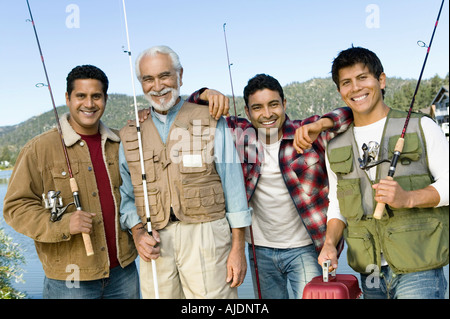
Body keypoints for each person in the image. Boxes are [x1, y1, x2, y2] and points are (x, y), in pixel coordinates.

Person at [297, 46, 449, 299]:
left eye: (362, 78)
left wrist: (408, 198)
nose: (355, 88)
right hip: (369, 272)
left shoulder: (422, 125)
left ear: (381, 80)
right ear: (340, 91)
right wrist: (330, 244)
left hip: (419, 268)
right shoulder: (334, 144)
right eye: (346, 82)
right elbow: (337, 205)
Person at [189, 74, 353, 298]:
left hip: (306, 248)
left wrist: (321, 124)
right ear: (247, 112)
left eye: (273, 104)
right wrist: (206, 94)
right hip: (260, 250)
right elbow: (189, 112)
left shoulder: (307, 131)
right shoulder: (238, 134)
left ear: (284, 104)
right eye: (257, 107)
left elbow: (349, 114)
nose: (267, 114)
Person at [118, 45, 252, 299]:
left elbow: (234, 187)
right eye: (148, 79)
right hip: (155, 241)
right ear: (141, 83)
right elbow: (126, 196)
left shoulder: (212, 118)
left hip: (207, 236)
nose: (157, 86)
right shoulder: (129, 133)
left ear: (180, 75)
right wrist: (137, 232)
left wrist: (237, 248)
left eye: (165, 76)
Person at [3, 65, 139, 299]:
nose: (89, 104)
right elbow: (15, 208)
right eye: (81, 96)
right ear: (68, 98)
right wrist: (63, 225)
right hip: (69, 279)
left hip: (124, 273)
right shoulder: (38, 149)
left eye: (96, 96)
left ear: (105, 99)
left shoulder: (121, 144)